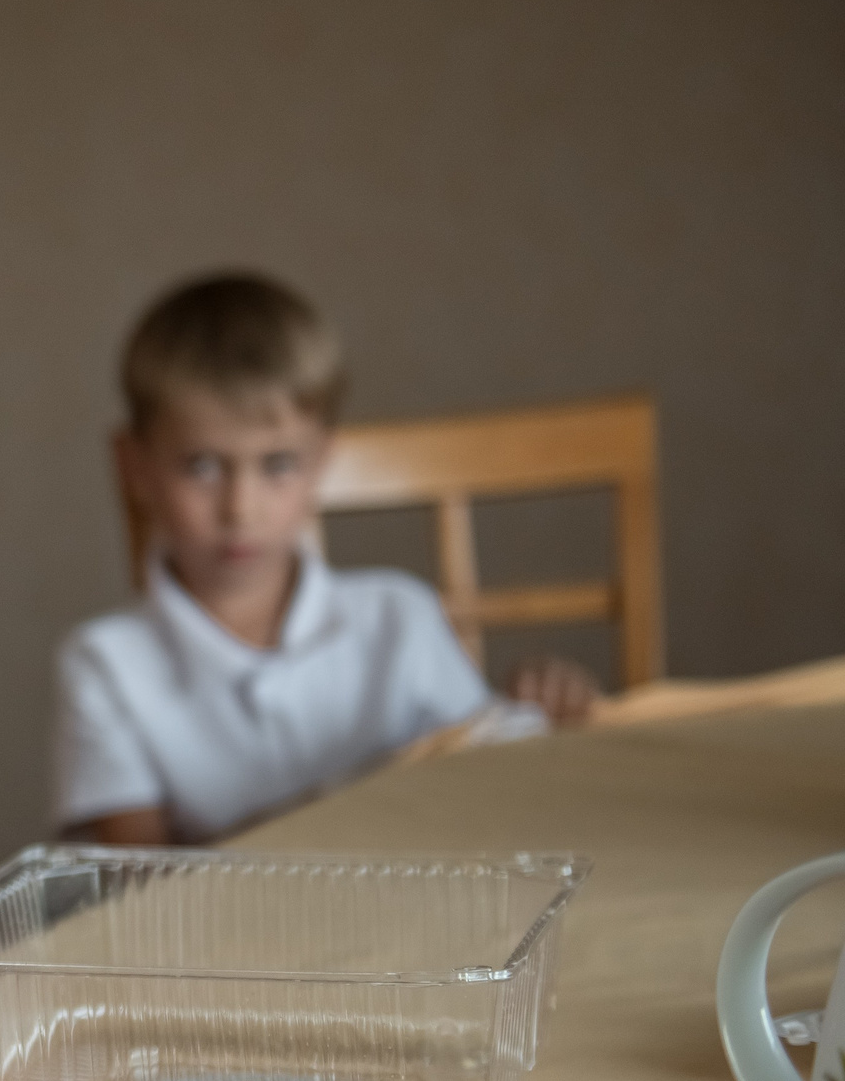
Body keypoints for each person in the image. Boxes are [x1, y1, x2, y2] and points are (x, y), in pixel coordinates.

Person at [55, 272, 598, 846]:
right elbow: (139, 880)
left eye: (278, 464)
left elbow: (490, 799)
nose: (241, 508)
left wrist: (543, 720)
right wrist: (358, 799)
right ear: (134, 465)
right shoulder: (102, 666)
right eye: (202, 467)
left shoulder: (400, 616)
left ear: (322, 461)